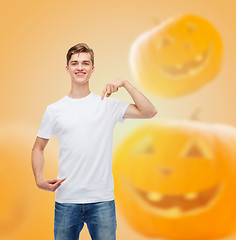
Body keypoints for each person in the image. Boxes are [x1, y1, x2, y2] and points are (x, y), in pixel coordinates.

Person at [31, 42, 157, 240]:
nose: (80, 67)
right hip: (67, 200)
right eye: (75, 63)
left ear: (92, 69)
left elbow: (150, 112)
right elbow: (38, 148)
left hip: (102, 201)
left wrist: (125, 83)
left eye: (85, 63)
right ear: (67, 68)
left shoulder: (107, 105)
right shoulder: (54, 110)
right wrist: (39, 179)